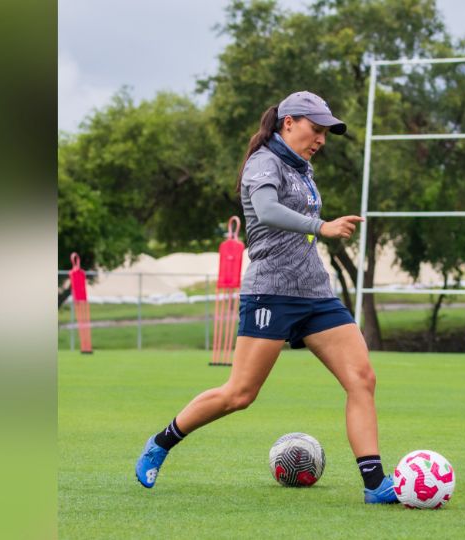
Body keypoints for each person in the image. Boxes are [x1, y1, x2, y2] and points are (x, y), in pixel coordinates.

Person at [135, 91, 397, 504]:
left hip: (316, 293)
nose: (322, 139)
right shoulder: (263, 162)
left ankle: (375, 485)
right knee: (239, 394)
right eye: (316, 129)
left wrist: (319, 228)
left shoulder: (303, 167)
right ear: (288, 122)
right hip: (270, 293)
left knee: (362, 379)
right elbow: (269, 210)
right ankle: (161, 442)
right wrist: (322, 226)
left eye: (326, 132)